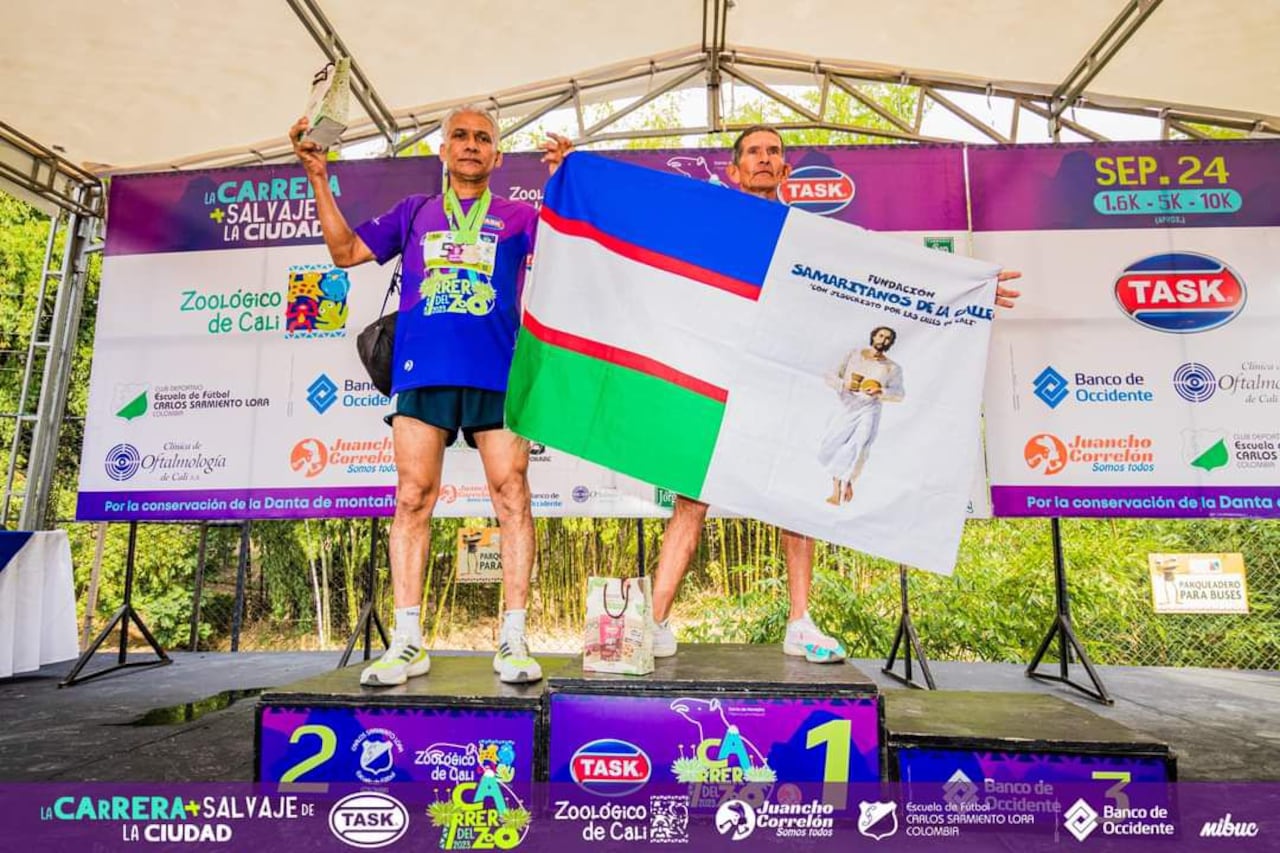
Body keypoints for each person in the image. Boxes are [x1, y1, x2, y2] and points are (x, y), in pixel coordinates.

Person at [650, 125, 1022, 663]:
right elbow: (647, 237)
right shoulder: (714, 224)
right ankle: (655, 622)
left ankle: (799, 622)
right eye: (752, 152)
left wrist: (974, 292)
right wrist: (570, 173)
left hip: (783, 384)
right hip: (722, 379)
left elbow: (894, 279)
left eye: (773, 152)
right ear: (733, 170)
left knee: (796, 497)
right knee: (691, 497)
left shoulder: (815, 237)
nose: (763, 158)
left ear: (785, 171)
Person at [289, 108, 572, 686]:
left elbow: (578, 250)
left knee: (512, 495)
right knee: (413, 497)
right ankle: (409, 641)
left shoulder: (520, 217)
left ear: (497, 157)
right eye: (460, 137)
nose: (471, 146)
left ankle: (514, 639)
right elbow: (344, 253)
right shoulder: (414, 213)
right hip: (422, 371)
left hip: (498, 371)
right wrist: (319, 174)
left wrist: (567, 181)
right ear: (443, 150)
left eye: (483, 139)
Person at [818, 325, 904, 505]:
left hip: (869, 408)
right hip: (846, 406)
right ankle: (839, 481)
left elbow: (899, 394)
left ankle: (842, 486)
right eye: (881, 335)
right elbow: (829, 375)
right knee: (835, 444)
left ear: (891, 343)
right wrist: (844, 384)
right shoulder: (854, 355)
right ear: (873, 336)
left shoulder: (892, 368)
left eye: (888, 338)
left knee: (859, 445)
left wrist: (880, 390)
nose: (883, 340)